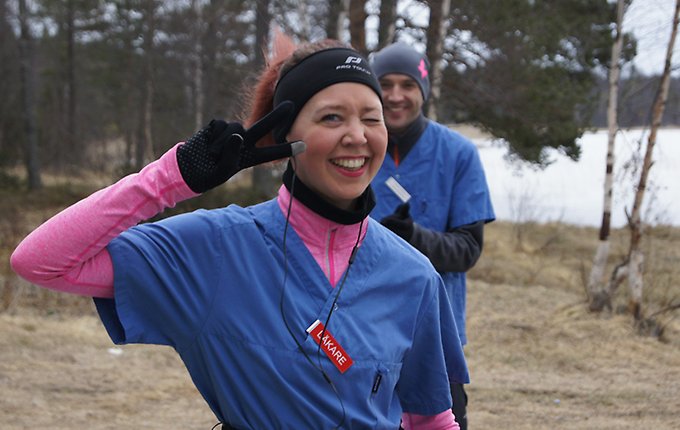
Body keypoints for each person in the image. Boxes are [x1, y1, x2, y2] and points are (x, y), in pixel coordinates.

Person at [11, 37, 469, 429]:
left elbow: (431, 419)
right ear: (288, 135)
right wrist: (174, 177)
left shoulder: (413, 276)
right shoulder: (213, 250)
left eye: (372, 119)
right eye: (332, 118)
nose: (358, 136)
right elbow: (40, 261)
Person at [369, 42, 496, 430]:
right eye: (385, 84)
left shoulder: (458, 153)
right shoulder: (353, 148)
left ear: (423, 89)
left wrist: (413, 238)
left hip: (437, 335)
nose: (395, 95)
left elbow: (468, 249)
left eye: (407, 84)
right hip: (363, 330)